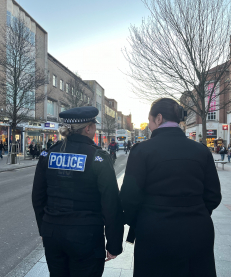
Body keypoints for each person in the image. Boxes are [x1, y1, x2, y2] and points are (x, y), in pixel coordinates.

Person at [120, 98, 221, 277]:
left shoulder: (142, 151)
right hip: (197, 229)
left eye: (150, 121)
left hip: (154, 230)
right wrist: (195, 211)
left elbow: (128, 198)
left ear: (158, 119)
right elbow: (213, 195)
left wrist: (141, 220)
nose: (149, 126)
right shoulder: (201, 150)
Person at [32, 106, 124, 277]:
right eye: (94, 126)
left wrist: (44, 229)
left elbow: (38, 197)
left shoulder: (48, 154)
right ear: (88, 128)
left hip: (53, 233)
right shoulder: (98, 157)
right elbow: (111, 203)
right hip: (86, 235)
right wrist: (114, 244)